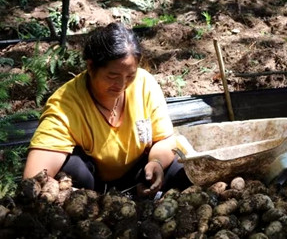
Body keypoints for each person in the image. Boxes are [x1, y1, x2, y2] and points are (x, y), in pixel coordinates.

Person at [24, 22, 190, 196]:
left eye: (130, 76)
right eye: (112, 76)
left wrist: (156, 163)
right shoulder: (65, 105)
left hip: (136, 174)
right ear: (90, 66)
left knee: (181, 169)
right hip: (89, 187)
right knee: (72, 168)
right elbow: (33, 178)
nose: (121, 85)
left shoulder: (144, 84)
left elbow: (165, 139)